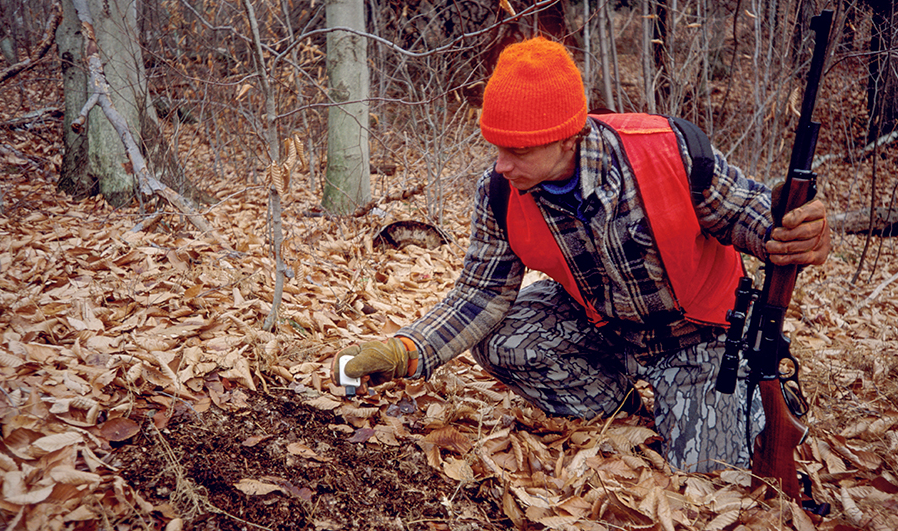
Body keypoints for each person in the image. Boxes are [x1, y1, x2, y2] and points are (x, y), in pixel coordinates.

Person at [334, 37, 830, 472]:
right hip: (606, 329)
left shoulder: (668, 151)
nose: (501, 165)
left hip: (701, 333)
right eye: (496, 147)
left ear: (569, 137)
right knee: (501, 338)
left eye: (518, 151)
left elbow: (747, 215)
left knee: (709, 470)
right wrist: (407, 350)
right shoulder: (500, 191)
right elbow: (481, 294)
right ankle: (619, 406)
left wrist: (790, 232)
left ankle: (717, 400)